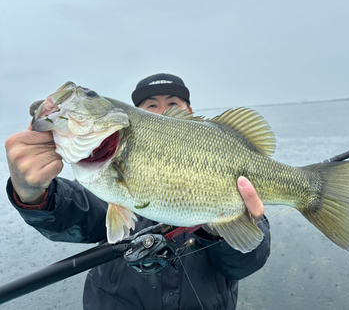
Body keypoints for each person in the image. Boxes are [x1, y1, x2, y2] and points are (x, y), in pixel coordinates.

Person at [5, 73, 271, 310]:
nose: (161, 110)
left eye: (172, 104)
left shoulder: (228, 161)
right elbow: (77, 213)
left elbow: (245, 262)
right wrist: (32, 193)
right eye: (151, 106)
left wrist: (222, 228)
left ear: (189, 112)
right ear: (135, 115)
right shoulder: (105, 180)